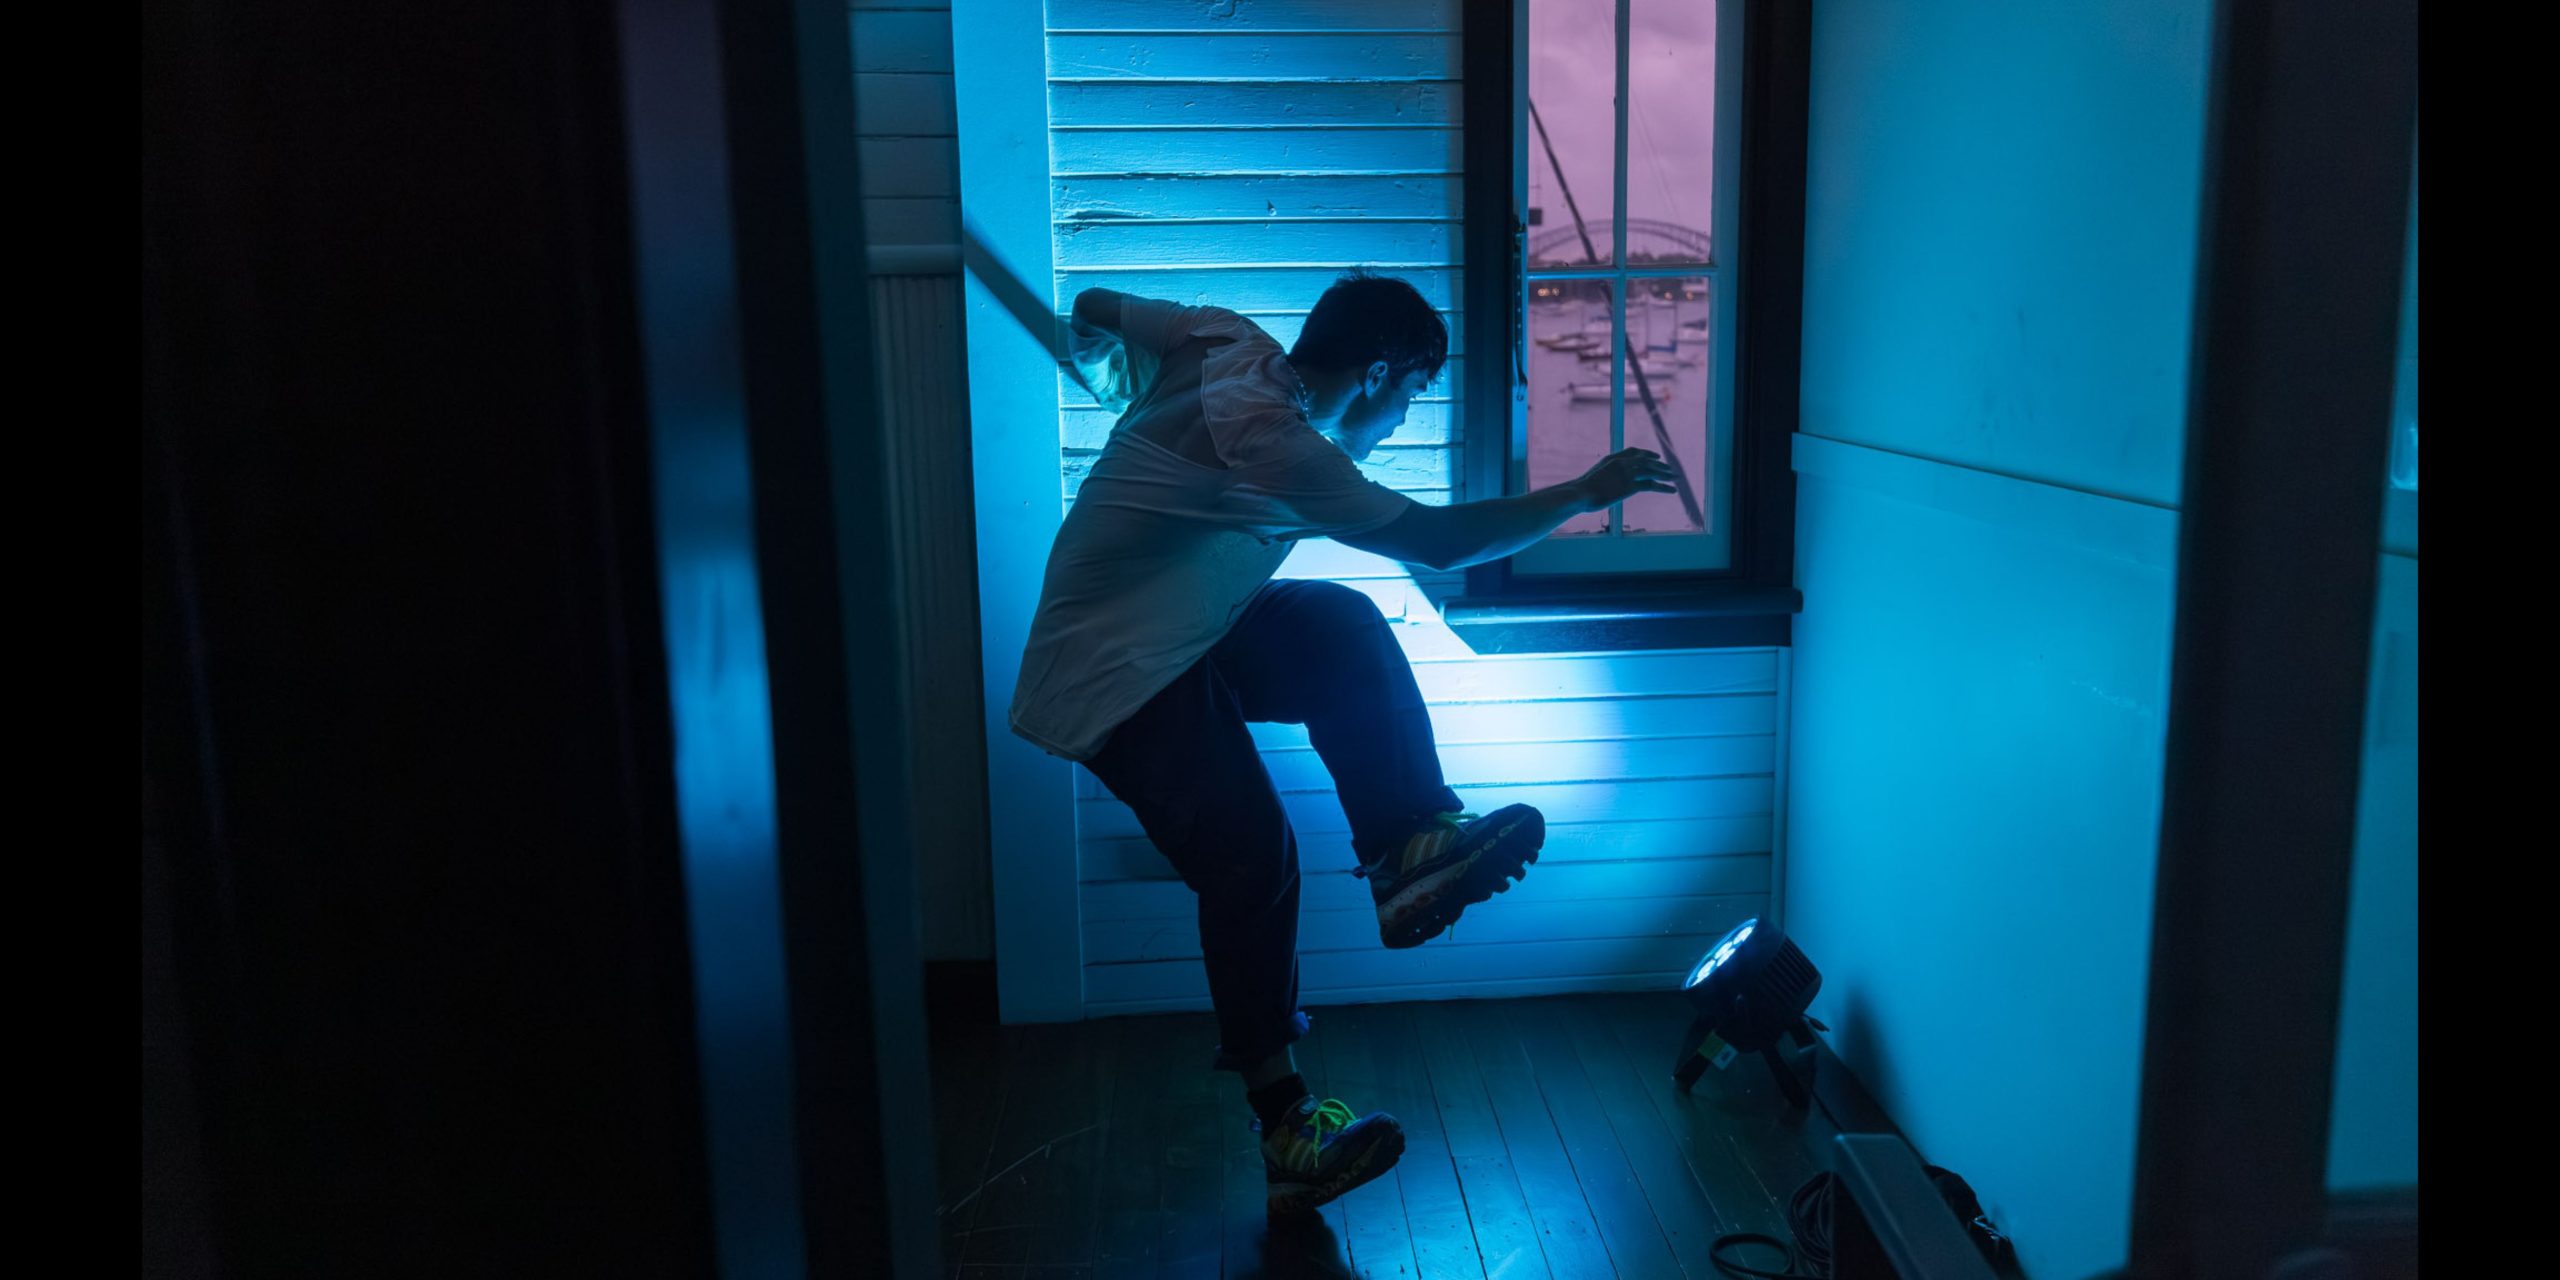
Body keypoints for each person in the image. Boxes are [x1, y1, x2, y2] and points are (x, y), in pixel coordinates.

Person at [1011, 269, 1681, 1215]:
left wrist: (1120, 381)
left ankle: (1410, 846)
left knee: (1339, 625)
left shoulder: (1214, 338)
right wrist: (1583, 490)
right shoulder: (1276, 447)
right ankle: (1286, 1124)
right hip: (1114, 672)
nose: (1405, 418)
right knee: (1250, 855)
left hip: (1189, 628)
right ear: (1375, 374)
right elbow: (1442, 545)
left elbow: (1092, 306)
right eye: (1410, 393)